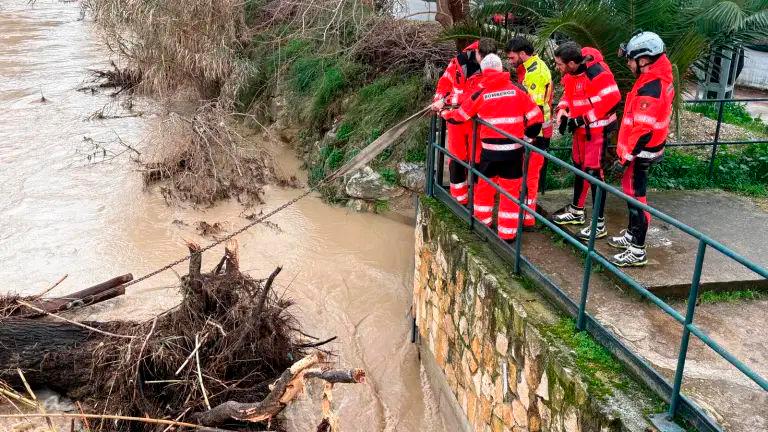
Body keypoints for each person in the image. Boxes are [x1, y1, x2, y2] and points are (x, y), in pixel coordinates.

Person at [440, 54, 543, 242]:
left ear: (484, 70)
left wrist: (443, 112)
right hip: (513, 153)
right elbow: (536, 118)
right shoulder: (517, 92)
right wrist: (527, 140)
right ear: (501, 69)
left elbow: (460, 117)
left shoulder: (480, 94)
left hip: (489, 153)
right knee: (510, 193)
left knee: (485, 189)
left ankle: (483, 225)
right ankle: (507, 234)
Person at [609, 31, 674, 267]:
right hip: (639, 151)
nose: (628, 63)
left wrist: (624, 159)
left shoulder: (652, 88)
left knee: (638, 199)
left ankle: (638, 250)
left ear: (644, 60)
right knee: (631, 194)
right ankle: (631, 234)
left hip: (640, 153)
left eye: (630, 59)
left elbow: (643, 130)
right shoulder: (651, 78)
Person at [551, 42, 621, 241]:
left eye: (559, 64)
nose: (557, 67)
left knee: (594, 174)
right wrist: (562, 111)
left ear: (572, 63)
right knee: (579, 169)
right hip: (580, 130)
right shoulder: (571, 74)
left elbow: (612, 101)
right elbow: (568, 94)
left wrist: (583, 119)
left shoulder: (597, 73)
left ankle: (599, 224)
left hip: (597, 131)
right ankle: (577, 210)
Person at [431, 39, 497, 205]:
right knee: (457, 159)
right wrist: (439, 99)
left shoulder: (493, 69)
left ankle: (479, 200)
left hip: (478, 122)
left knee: (479, 160)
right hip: (457, 121)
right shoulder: (457, 62)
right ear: (477, 52)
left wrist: (446, 101)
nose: (484, 63)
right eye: (482, 58)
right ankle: (459, 199)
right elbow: (445, 82)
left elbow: (477, 97)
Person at [505, 36, 554, 228]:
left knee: (530, 177)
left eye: (512, 57)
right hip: (533, 132)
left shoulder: (535, 73)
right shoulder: (529, 68)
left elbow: (535, 110)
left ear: (522, 54)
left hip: (536, 134)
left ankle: (527, 218)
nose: (510, 61)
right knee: (526, 176)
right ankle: (524, 215)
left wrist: (528, 136)